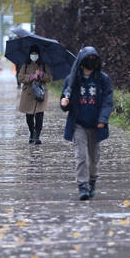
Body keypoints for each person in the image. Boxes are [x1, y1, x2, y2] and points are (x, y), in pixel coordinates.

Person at [60, 46, 114, 201]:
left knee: (93, 158)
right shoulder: (72, 80)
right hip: (78, 125)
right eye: (88, 59)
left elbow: (107, 101)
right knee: (81, 156)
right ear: (82, 61)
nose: (91, 62)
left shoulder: (103, 79)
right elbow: (65, 104)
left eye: (94, 59)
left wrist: (103, 119)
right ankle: (82, 185)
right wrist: (64, 103)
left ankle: (92, 181)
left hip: (96, 126)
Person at [18, 45, 52, 144]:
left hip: (40, 93)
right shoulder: (26, 64)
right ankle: (32, 132)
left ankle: (37, 135)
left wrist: (41, 74)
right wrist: (31, 77)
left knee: (39, 116)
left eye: (36, 54)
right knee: (29, 116)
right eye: (32, 54)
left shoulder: (44, 65)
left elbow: (49, 78)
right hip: (28, 93)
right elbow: (20, 77)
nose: (34, 55)